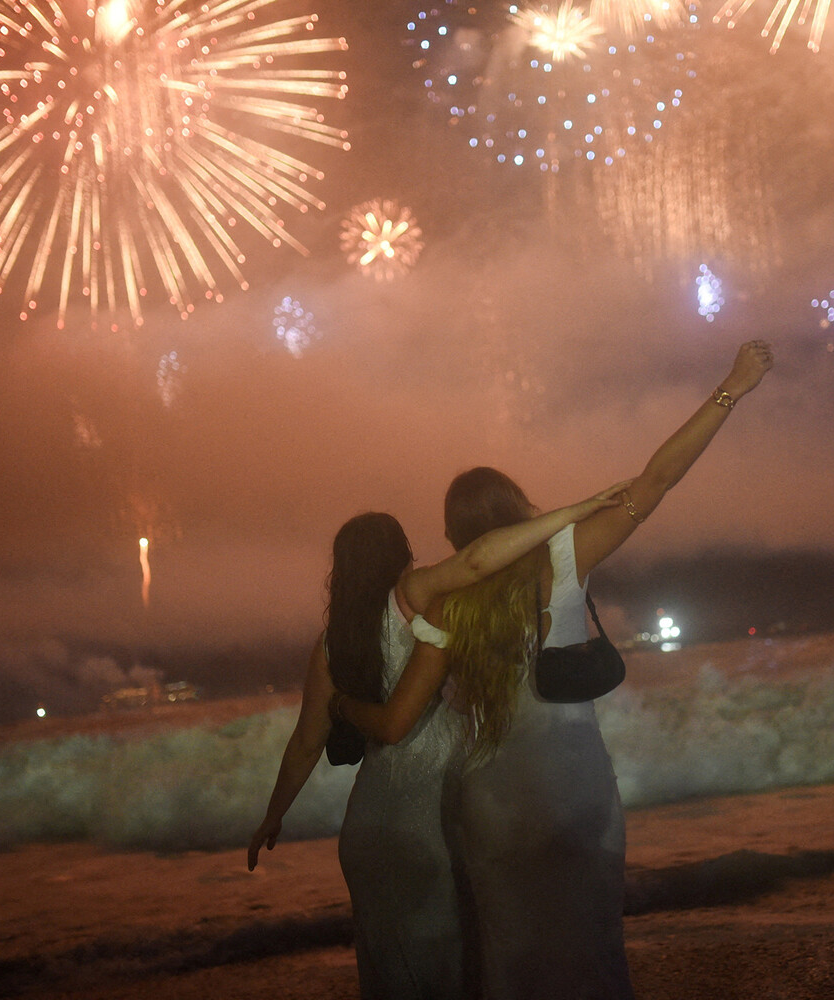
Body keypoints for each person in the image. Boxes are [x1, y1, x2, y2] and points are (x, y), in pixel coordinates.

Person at [336, 340, 774, 999]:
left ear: (457, 533)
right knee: (591, 951)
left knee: (509, 962)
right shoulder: (565, 556)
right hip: (572, 787)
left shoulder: (451, 599)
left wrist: (342, 704)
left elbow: (410, 706)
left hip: (490, 799)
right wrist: (731, 388)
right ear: (518, 506)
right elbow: (658, 478)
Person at [246, 484, 626, 1000]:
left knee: (391, 973)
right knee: (460, 965)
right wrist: (568, 517)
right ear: (401, 555)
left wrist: (273, 817)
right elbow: (474, 562)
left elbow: (305, 744)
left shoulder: (332, 644)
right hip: (437, 817)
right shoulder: (414, 595)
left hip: (370, 824)